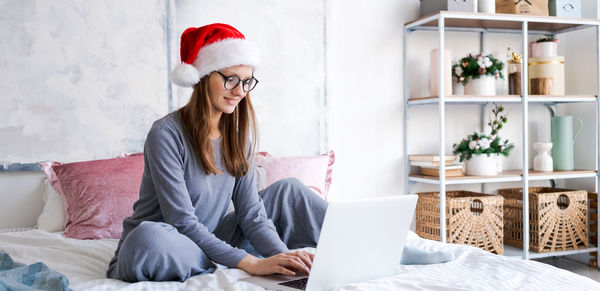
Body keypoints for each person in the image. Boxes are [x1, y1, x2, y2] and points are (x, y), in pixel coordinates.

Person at [106, 23, 328, 282]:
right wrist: (250, 263)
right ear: (203, 77)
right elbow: (182, 222)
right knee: (148, 238)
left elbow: (251, 215)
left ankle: (373, 245)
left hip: (211, 238)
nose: (239, 91)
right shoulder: (165, 133)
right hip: (167, 243)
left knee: (288, 190)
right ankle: (221, 261)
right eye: (230, 79)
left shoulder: (237, 137)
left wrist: (285, 263)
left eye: (246, 82)